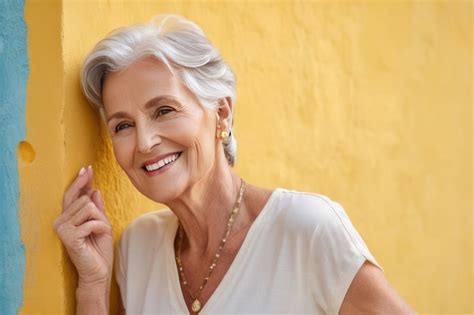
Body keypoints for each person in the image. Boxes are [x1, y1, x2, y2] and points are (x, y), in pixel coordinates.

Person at [53, 15, 415, 315]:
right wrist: (94, 286)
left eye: (164, 110)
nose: (145, 142)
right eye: (123, 126)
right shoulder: (138, 248)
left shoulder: (306, 230)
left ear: (221, 114)